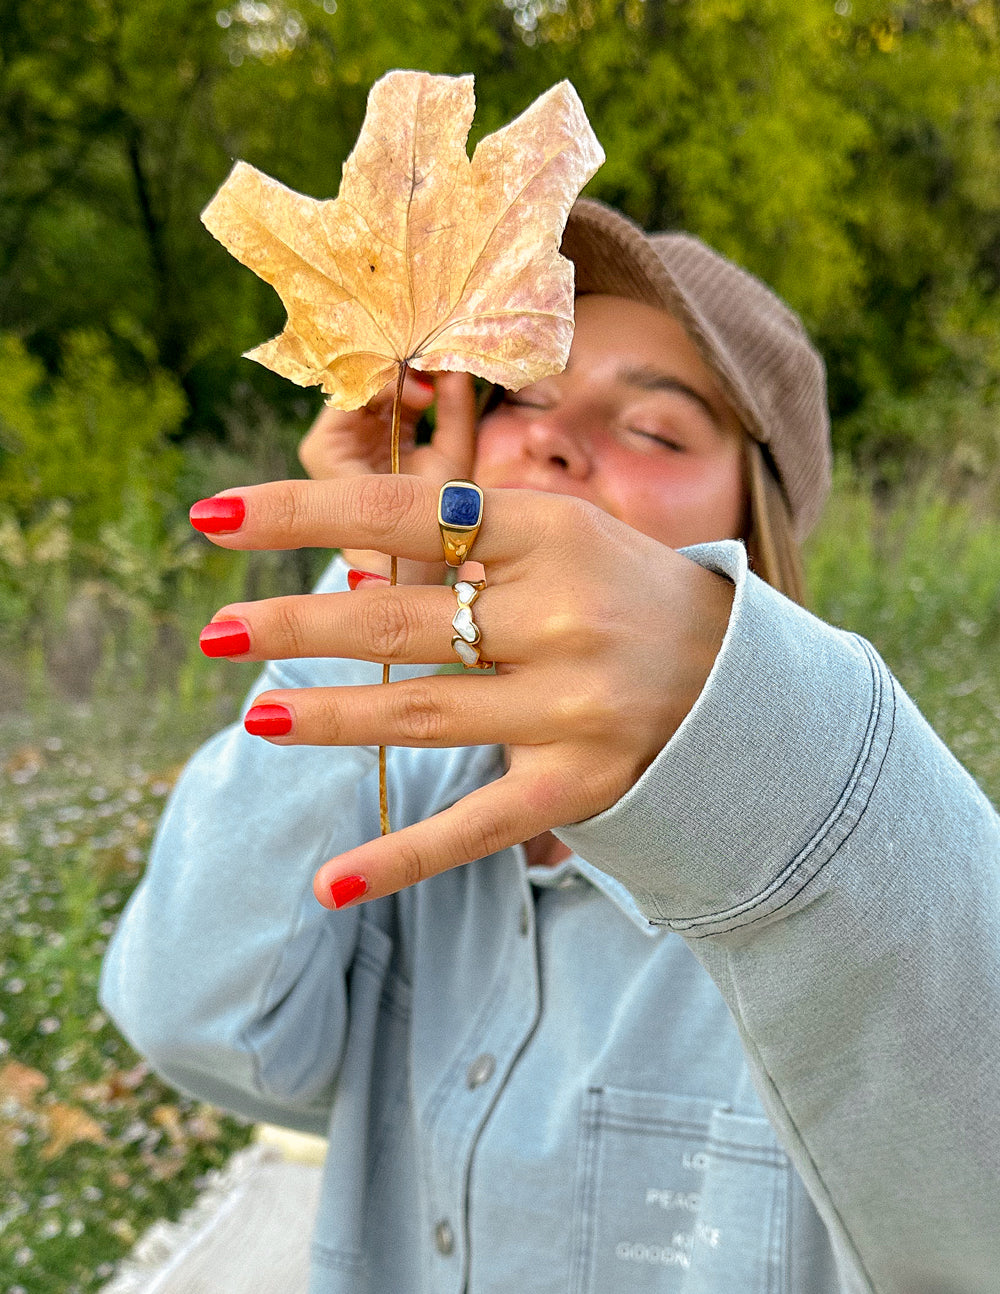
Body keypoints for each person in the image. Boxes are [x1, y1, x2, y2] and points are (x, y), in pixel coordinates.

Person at [100, 198, 1000, 1293]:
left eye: (657, 429)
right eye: (518, 395)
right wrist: (377, 587)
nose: (554, 437)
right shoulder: (407, 801)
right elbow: (201, 1023)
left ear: (751, 527)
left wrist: (774, 743)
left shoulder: (866, 883)